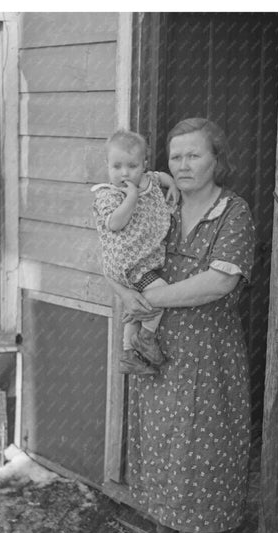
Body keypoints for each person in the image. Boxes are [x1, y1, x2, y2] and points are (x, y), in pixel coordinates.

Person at [107, 118, 256, 533]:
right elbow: (120, 253)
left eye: (194, 155)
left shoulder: (233, 212)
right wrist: (127, 293)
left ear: (217, 158)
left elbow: (220, 282)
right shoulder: (158, 207)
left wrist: (158, 296)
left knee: (197, 459)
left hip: (208, 358)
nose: (184, 164)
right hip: (158, 353)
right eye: (176, 156)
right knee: (159, 452)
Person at [91, 129, 179, 375]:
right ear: (107, 165)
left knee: (137, 307)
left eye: (132, 166)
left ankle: (128, 354)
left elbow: (158, 176)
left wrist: (170, 182)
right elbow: (115, 223)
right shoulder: (108, 195)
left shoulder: (147, 179)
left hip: (140, 261)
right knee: (161, 293)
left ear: (144, 165)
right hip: (129, 264)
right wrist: (131, 197)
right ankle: (146, 338)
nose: (125, 173)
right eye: (117, 166)